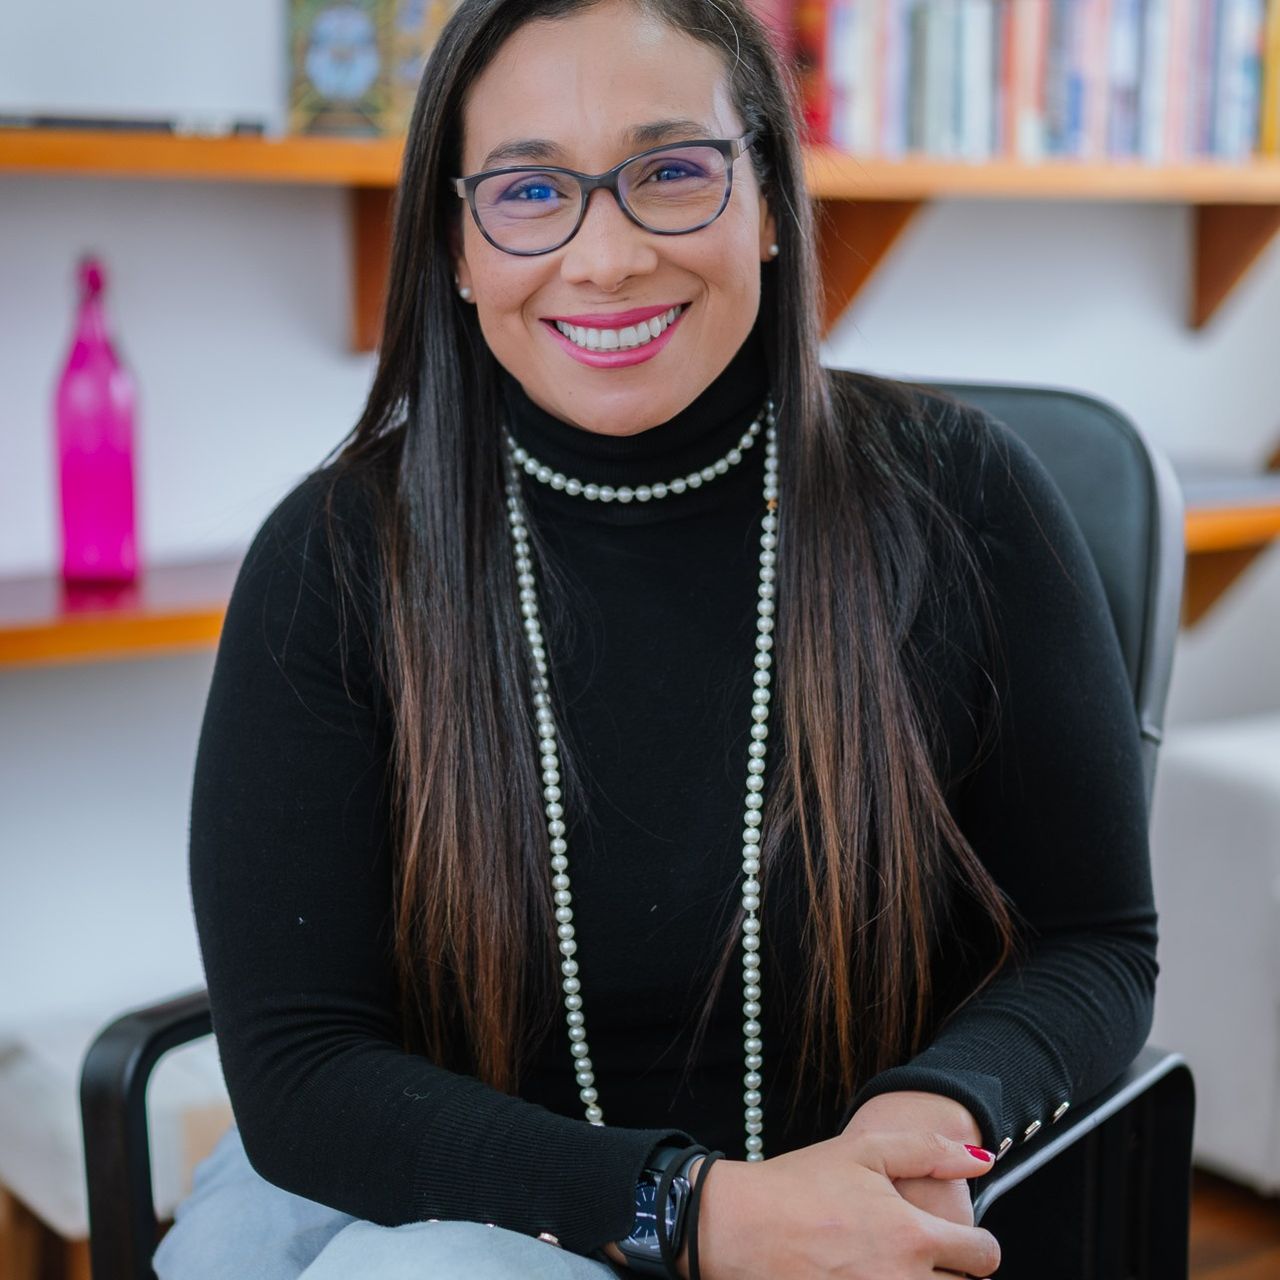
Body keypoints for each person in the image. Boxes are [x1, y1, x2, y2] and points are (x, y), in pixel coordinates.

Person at [154, 1, 1158, 1277]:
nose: (606, 257)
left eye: (671, 172)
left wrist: (927, 1116)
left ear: (769, 201)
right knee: (242, 1239)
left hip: (846, 1192)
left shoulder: (965, 496)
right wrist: (693, 1211)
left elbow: (1093, 941)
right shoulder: (336, 553)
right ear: (457, 247)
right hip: (482, 1166)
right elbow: (301, 1068)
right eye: (529, 192)